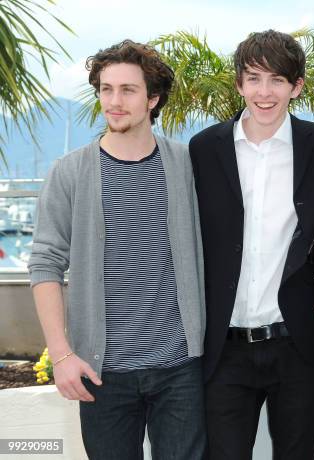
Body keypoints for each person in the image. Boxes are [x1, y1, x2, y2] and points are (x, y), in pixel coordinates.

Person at [28, 40, 206, 459]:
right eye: (106, 89)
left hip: (181, 369)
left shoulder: (186, 166)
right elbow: (45, 263)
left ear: (153, 98)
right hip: (101, 373)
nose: (114, 101)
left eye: (128, 90)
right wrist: (61, 354)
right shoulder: (70, 172)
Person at [189, 30, 314, 459]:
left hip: (297, 344)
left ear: (296, 86)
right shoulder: (204, 149)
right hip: (225, 347)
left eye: (277, 80)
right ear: (239, 84)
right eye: (253, 78)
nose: (264, 92)